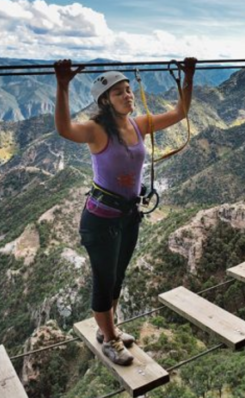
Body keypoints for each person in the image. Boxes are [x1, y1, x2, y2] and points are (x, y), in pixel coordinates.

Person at [53, 57, 196, 366]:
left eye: (129, 90)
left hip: (129, 216)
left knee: (117, 278)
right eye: (119, 93)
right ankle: (109, 339)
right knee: (104, 280)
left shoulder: (139, 124)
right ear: (105, 101)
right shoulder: (95, 130)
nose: (128, 95)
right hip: (101, 220)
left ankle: (109, 330)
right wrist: (63, 85)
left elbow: (180, 112)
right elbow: (64, 129)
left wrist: (188, 76)